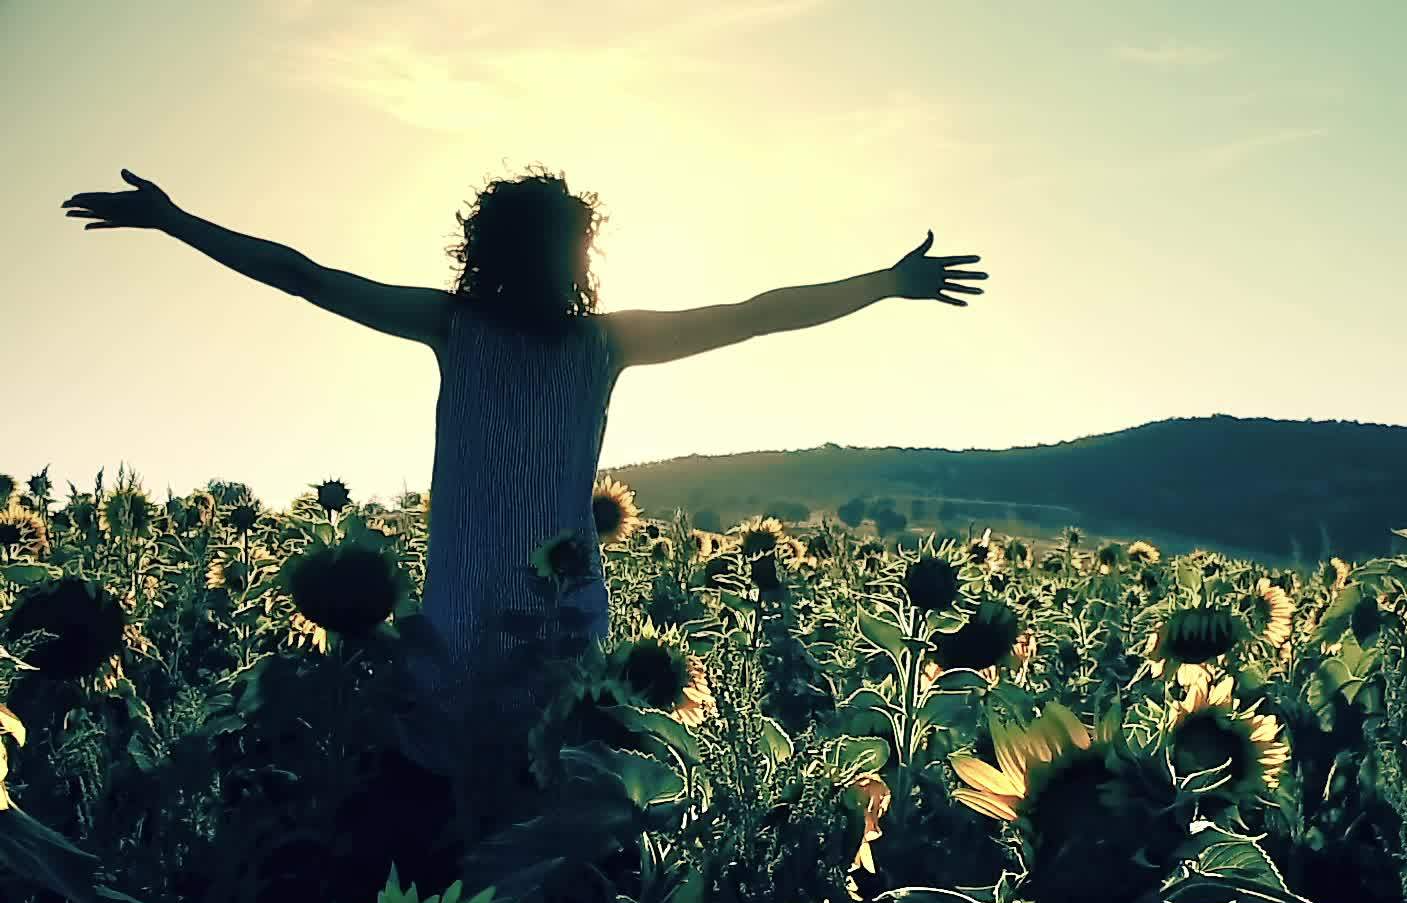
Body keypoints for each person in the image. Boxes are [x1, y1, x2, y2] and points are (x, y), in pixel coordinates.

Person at [62, 166, 988, 713]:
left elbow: (758, 314)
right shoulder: (494, 330)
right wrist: (174, 222)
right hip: (475, 621)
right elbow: (302, 275)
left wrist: (881, 283)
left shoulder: (560, 338)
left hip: (532, 624)